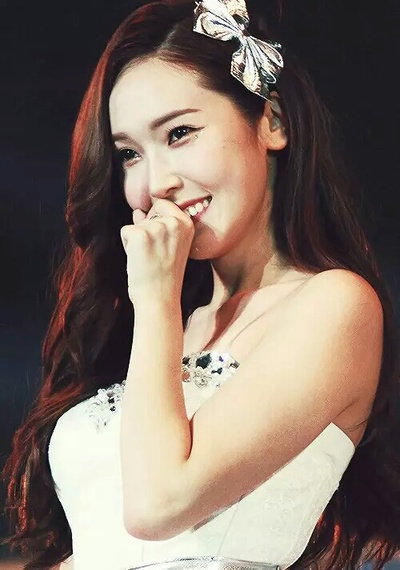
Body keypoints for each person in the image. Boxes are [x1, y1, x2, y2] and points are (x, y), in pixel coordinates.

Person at [3, 0, 400, 568]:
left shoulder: (334, 305)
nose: (156, 183)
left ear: (273, 121)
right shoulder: (168, 322)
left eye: (180, 133)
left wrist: (155, 300)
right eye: (129, 154)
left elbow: (159, 505)